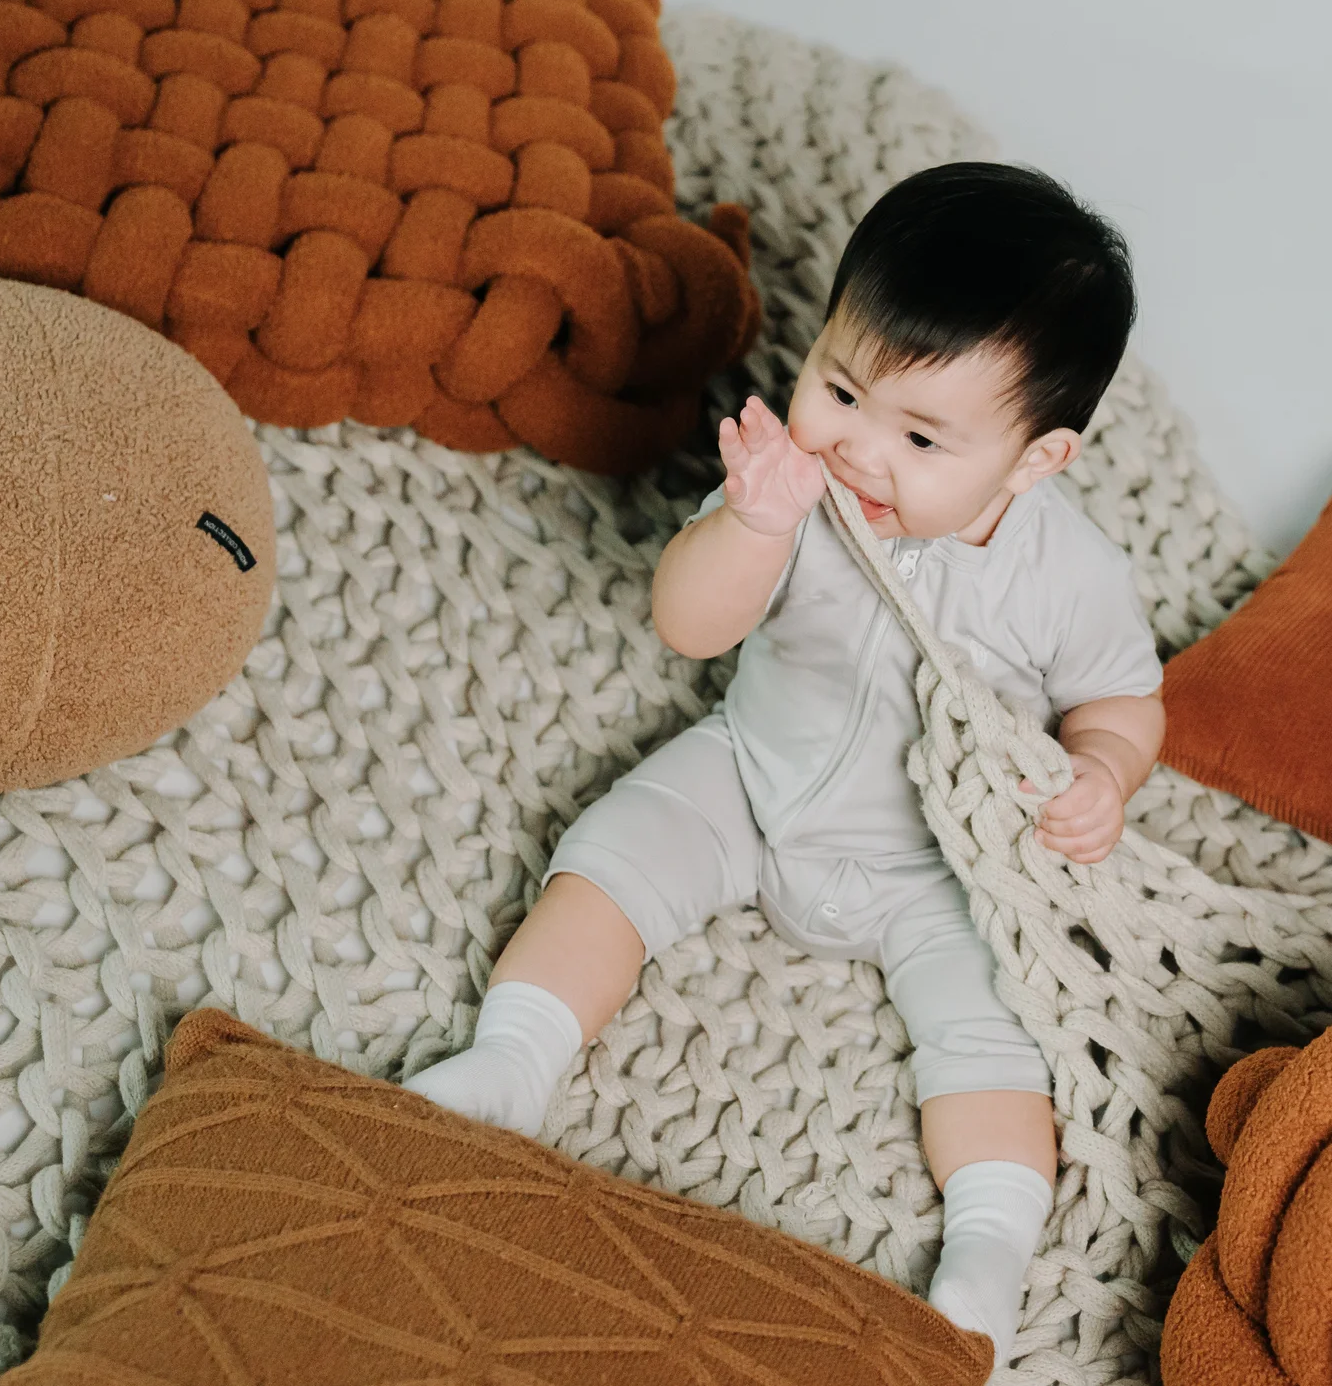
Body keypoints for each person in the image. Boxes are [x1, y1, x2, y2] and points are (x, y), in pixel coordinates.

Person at [406, 161, 1164, 1365]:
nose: (859, 448)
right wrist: (752, 523)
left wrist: (1103, 773)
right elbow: (689, 625)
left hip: (937, 863)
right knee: (610, 854)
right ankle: (515, 1055)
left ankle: (988, 1242)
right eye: (841, 388)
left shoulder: (1068, 576)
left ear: (1035, 459)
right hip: (753, 775)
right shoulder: (794, 493)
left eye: (921, 435)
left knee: (994, 1027)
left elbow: (1121, 700)